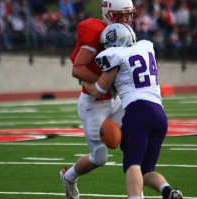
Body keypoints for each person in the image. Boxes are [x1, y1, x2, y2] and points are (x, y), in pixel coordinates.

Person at [83, 23, 183, 199]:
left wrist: (83, 82)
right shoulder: (145, 47)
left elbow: (99, 90)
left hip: (138, 112)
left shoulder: (115, 55)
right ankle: (169, 192)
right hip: (159, 114)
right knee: (146, 171)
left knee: (132, 165)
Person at [59, 1, 136, 199]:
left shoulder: (124, 32)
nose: (127, 20)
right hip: (94, 104)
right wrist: (104, 82)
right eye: (122, 15)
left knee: (133, 142)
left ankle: (137, 194)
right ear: (109, 14)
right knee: (99, 158)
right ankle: (69, 178)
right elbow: (77, 69)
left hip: (116, 101)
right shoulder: (95, 32)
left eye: (129, 15)